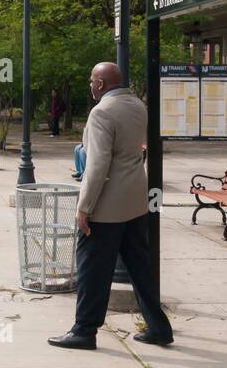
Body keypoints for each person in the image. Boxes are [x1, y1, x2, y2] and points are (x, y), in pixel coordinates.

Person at [49, 62, 173, 351]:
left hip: (107, 206)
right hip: (135, 201)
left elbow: (97, 164)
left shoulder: (102, 112)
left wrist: (84, 206)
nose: (90, 85)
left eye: (92, 80)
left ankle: (84, 330)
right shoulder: (138, 106)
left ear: (102, 84)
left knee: (92, 269)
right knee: (140, 269)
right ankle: (158, 327)